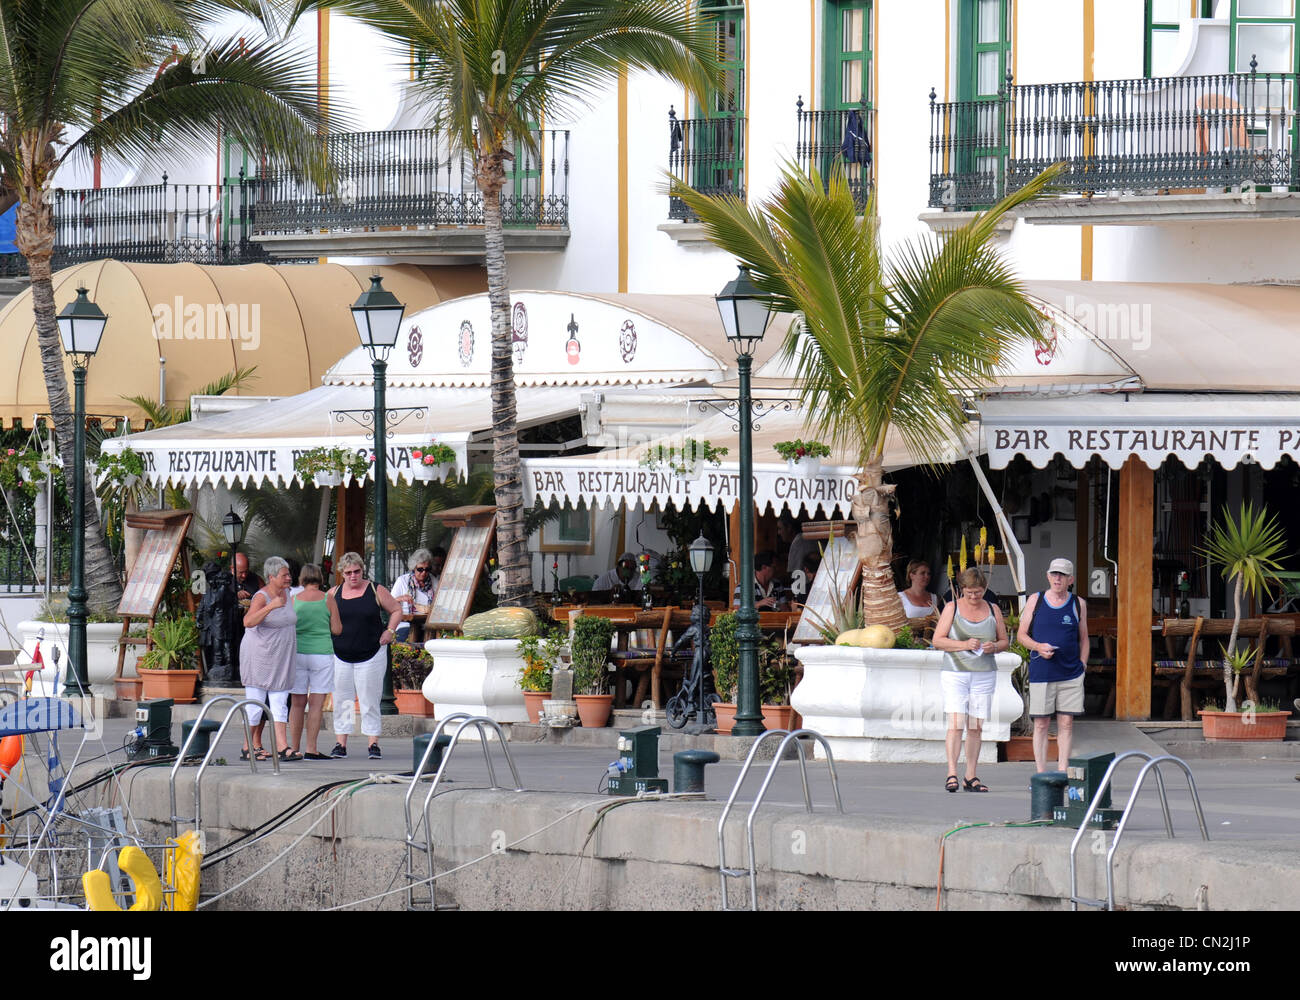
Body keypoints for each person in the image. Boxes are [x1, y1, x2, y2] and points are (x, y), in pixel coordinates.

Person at [931, 567, 1008, 793]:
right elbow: (938, 640)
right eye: (969, 592)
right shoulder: (952, 608)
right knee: (956, 724)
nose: (974, 597)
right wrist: (964, 645)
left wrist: (993, 646)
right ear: (961, 590)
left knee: (975, 727)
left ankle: (971, 775)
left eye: (978, 592)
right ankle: (952, 773)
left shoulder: (993, 609)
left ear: (984, 589)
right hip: (956, 672)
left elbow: (1004, 641)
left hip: (984, 673)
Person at [326, 551, 404, 760]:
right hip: (341, 653)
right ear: (342, 573)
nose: (353, 576)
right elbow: (326, 619)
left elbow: (396, 610)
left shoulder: (375, 589)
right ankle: (341, 744)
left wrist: (390, 631)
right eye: (349, 572)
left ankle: (373, 743)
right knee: (342, 699)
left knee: (370, 698)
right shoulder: (334, 593)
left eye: (357, 571)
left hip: (371, 652)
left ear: (362, 570)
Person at [1017, 557, 1088, 774]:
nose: (1058, 578)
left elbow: (1084, 638)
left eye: (1063, 575)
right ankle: (1041, 774)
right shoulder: (1035, 600)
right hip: (1042, 672)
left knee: (1066, 723)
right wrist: (1038, 646)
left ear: (1071, 579)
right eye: (1054, 574)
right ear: (1048, 576)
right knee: (1041, 724)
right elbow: (1021, 635)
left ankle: (1062, 770)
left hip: (1070, 673)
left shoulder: (1078, 603)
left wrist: (1082, 667)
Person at [238, 556, 298, 761]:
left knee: (280, 702)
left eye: (289, 574)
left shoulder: (288, 593)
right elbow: (248, 621)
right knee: (255, 704)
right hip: (260, 658)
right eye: (284, 575)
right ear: (271, 577)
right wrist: (271, 606)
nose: (289, 578)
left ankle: (282, 747)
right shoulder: (261, 597)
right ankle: (247, 747)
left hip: (281, 659)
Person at [289, 563, 333, 760]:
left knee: (297, 703)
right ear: (320, 578)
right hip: (322, 653)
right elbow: (338, 628)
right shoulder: (328, 599)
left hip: (298, 653)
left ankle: (294, 747)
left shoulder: (293, 600)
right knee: (316, 704)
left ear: (302, 578)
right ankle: (312, 748)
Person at [391, 547, 443, 641]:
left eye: (427, 569)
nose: (424, 573)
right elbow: (389, 603)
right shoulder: (403, 581)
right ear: (413, 568)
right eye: (420, 569)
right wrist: (399, 599)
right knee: (410, 636)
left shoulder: (433, 581)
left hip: (427, 624)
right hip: (405, 624)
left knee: (435, 638)